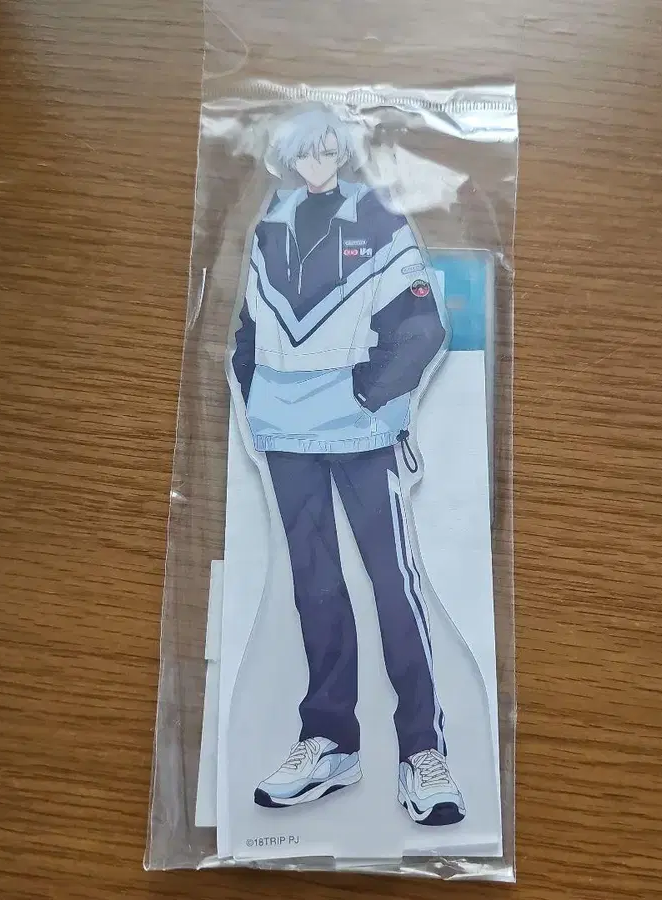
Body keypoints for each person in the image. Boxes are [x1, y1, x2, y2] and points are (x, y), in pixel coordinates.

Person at [229, 107, 465, 826]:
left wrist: (368, 396)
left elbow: (422, 325)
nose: (318, 158)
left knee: (393, 584)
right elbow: (248, 331)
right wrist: (256, 400)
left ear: (344, 149)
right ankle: (330, 741)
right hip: (286, 433)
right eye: (306, 148)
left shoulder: (381, 218)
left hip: (362, 433)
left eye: (329, 146)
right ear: (288, 155)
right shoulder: (269, 225)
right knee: (316, 586)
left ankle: (423, 752)